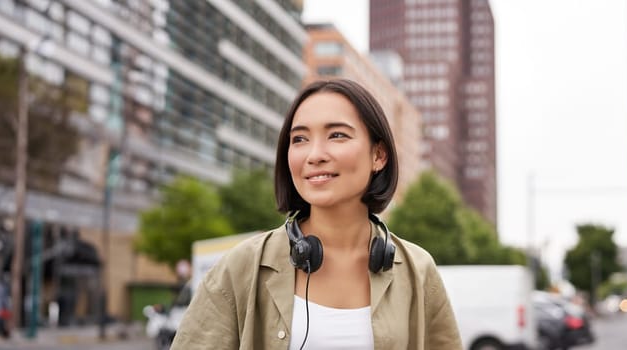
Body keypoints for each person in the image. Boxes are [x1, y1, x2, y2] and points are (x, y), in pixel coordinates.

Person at [171, 79, 462, 349]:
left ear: (379, 155)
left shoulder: (418, 271)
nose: (314, 155)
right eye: (299, 139)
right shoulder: (242, 267)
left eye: (337, 135)